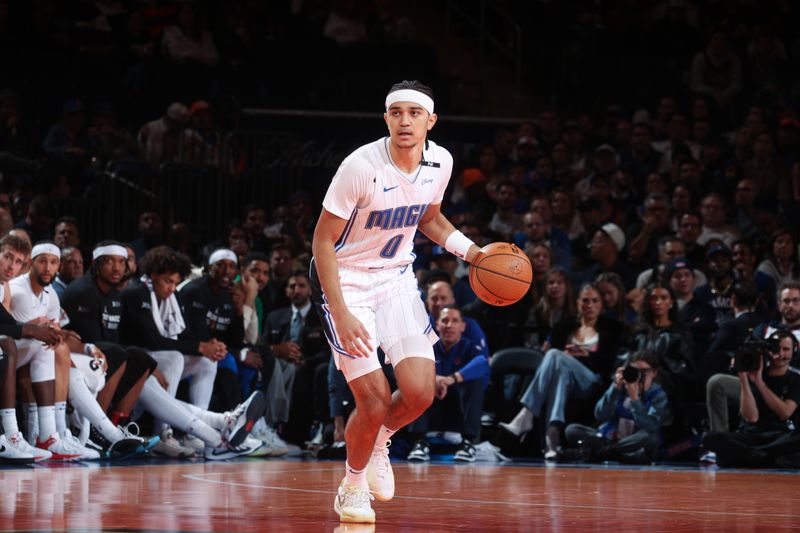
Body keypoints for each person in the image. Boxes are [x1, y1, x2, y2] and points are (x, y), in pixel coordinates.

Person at [310, 80, 483, 524]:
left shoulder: (440, 161)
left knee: (422, 392)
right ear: (386, 118)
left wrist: (473, 253)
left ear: (430, 120)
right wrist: (342, 311)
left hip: (395, 279)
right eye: (396, 112)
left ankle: (380, 438)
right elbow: (322, 242)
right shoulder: (360, 166)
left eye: (414, 113)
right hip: (345, 279)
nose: (405, 120)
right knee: (373, 398)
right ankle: (351, 486)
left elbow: (428, 217)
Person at [499, 283, 624, 460]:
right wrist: (566, 356)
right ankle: (552, 435)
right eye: (585, 300)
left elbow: (608, 363)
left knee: (554, 355)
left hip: (591, 380)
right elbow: (552, 364)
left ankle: (526, 414)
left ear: (601, 304)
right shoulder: (564, 326)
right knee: (559, 368)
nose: (589, 305)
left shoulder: (612, 328)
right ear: (578, 302)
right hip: (565, 378)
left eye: (594, 301)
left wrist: (585, 355)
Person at [702, 332, 800, 467]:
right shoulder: (753, 374)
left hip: (778, 438)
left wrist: (760, 383)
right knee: (709, 438)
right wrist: (744, 377)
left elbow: (785, 413)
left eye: (786, 349)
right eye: (777, 349)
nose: (781, 355)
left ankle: (755, 455)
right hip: (750, 436)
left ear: (794, 350)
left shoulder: (796, 379)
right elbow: (751, 418)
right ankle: (762, 457)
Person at [406, 305, 489, 463]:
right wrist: (433, 379)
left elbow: (482, 363)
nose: (449, 325)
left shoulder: (470, 347)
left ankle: (468, 443)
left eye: (454, 321)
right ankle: (419, 443)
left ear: (463, 326)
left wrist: (452, 378)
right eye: (444, 321)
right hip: (431, 408)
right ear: (437, 325)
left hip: (459, 410)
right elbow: (412, 367)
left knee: (475, 382)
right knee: (415, 382)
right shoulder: (427, 347)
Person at [565, 350, 672, 464]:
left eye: (644, 371)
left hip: (632, 442)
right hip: (611, 438)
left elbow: (651, 426)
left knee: (652, 438)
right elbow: (600, 415)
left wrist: (635, 399)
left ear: (654, 372)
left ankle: (603, 451)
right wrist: (614, 388)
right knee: (572, 429)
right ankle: (610, 452)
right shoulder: (620, 387)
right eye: (635, 371)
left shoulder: (658, 395)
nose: (639, 376)